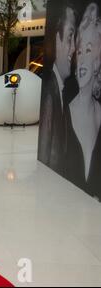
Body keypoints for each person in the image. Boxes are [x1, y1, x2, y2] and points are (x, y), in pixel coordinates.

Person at [66, 2, 101, 199]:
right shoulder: (67, 112)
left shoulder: (98, 113)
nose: (82, 60)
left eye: (88, 50)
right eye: (79, 52)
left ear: (98, 60)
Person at [38, 1, 76, 176]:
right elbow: (45, 153)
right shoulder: (49, 94)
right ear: (56, 39)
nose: (74, 49)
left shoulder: (58, 90)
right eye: (70, 38)